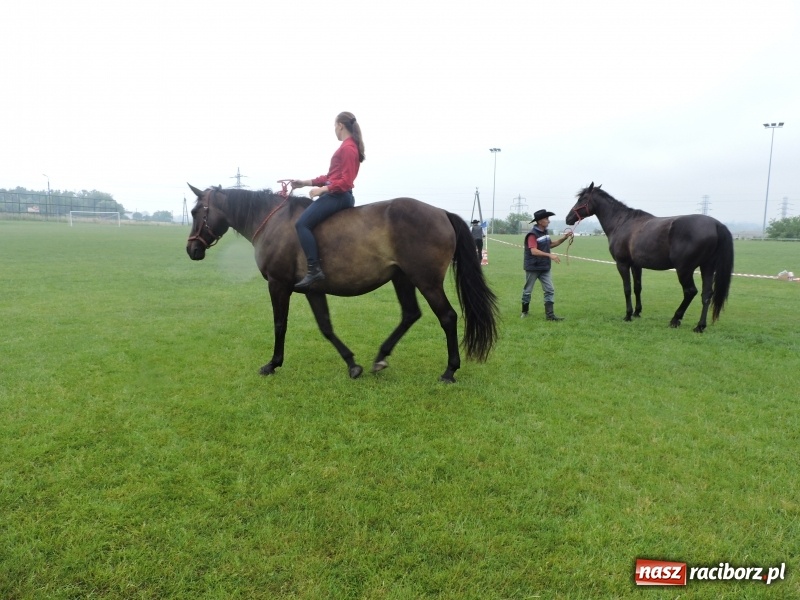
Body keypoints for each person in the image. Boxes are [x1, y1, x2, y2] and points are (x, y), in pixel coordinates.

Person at [290, 111, 365, 291]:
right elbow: (331, 176)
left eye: (334, 126)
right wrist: (305, 183)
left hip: (339, 196)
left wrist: (323, 189)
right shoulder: (349, 146)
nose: (334, 129)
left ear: (340, 125)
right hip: (339, 195)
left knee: (302, 224)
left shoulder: (347, 148)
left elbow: (345, 182)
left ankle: (314, 269)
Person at [520, 209, 573, 320]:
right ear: (540, 221)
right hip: (533, 267)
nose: (548, 221)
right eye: (546, 219)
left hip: (544, 267)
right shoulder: (532, 235)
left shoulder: (545, 233)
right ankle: (524, 312)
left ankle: (550, 316)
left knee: (549, 289)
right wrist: (550, 255)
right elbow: (533, 251)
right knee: (528, 290)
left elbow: (551, 244)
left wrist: (564, 238)